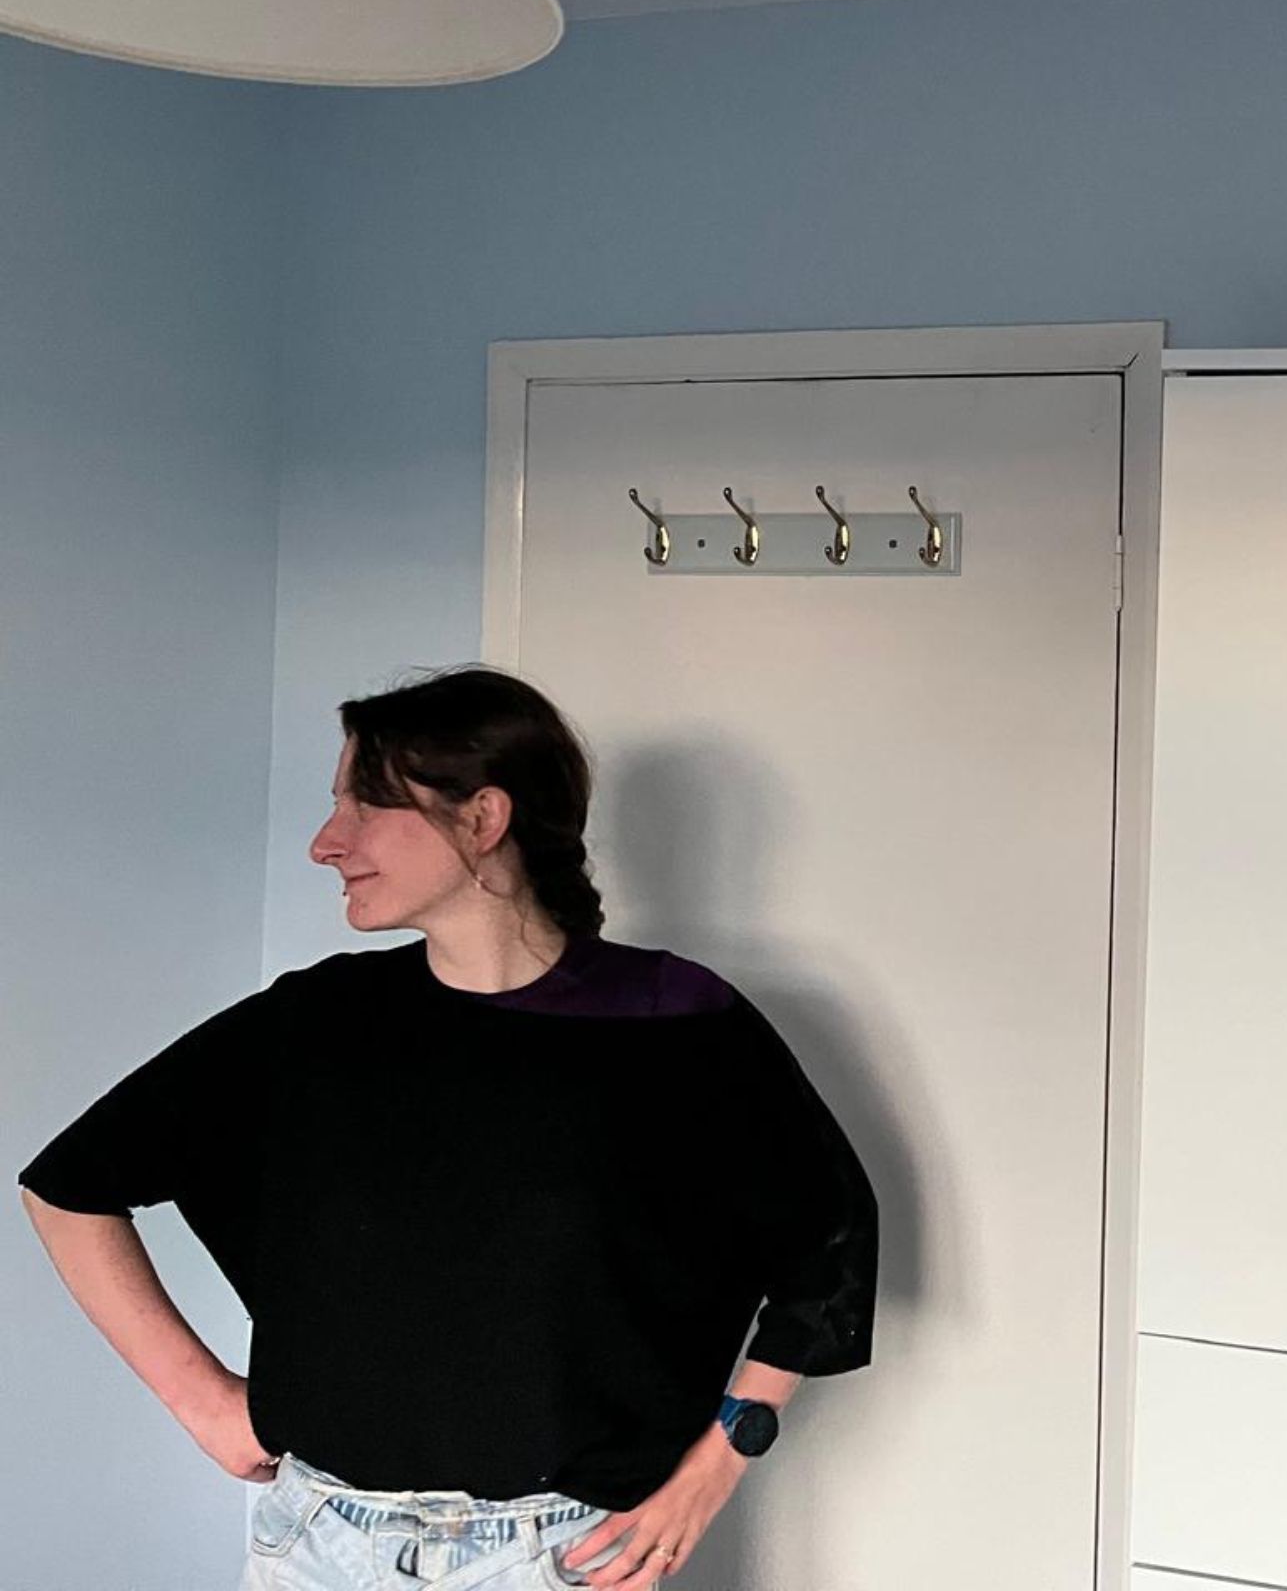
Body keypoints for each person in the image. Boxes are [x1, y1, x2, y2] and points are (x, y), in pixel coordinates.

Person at [18, 665, 879, 1589]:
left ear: (482, 819)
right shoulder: (319, 1022)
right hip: (318, 1545)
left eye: (365, 805)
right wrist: (204, 1403)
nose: (325, 842)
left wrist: (712, 1474)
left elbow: (825, 1254)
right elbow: (71, 1186)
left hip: (569, 1553)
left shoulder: (675, 1022)